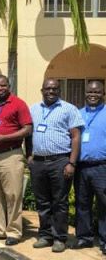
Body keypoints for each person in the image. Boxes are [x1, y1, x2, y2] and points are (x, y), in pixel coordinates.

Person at [28, 78, 83, 253]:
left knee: (59, 202)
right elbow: (28, 133)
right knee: (42, 201)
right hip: (38, 162)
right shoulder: (34, 109)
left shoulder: (69, 109)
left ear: (59, 90)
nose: (51, 91)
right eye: (48, 88)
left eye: (55, 89)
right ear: (42, 90)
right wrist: (29, 155)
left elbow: (75, 136)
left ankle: (60, 238)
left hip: (60, 161)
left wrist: (71, 163)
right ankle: (45, 235)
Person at [0, 75, 32, 246]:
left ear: (8, 86)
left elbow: (27, 129)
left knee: (13, 195)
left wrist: (5, 138)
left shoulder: (19, 103)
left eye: (3, 85)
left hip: (11, 154)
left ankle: (13, 232)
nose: (0, 88)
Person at [74, 81, 106, 254]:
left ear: (103, 93)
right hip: (81, 167)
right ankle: (84, 238)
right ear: (85, 93)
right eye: (89, 91)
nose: (93, 94)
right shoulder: (78, 114)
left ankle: (105, 240)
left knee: (104, 205)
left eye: (97, 91)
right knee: (82, 204)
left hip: (102, 167)